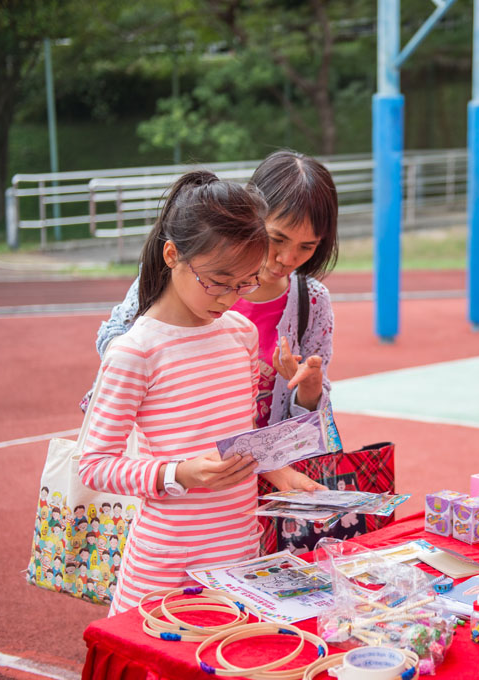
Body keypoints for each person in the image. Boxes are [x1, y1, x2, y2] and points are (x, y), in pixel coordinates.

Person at [93, 150, 340, 554]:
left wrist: (306, 388)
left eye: (307, 247)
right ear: (251, 218)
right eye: (277, 239)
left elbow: (310, 419)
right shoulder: (191, 277)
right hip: (176, 480)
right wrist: (189, 364)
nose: (286, 259)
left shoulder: (307, 301)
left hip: (254, 477)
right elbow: (121, 347)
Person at [79, 170, 295, 615]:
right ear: (173, 254)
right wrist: (178, 473)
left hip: (238, 552)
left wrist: (277, 472)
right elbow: (94, 465)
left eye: (245, 283)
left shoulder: (240, 333)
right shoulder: (135, 352)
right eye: (218, 280)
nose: (230, 297)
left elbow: (238, 432)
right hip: (165, 566)